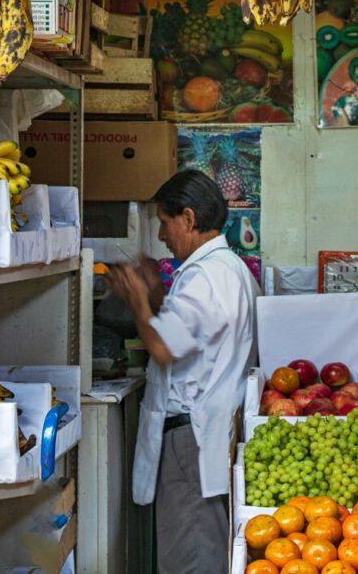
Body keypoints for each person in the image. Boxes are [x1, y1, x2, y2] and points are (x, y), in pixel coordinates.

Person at [106, 169, 258, 574]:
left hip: (191, 437)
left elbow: (161, 347)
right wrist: (156, 294)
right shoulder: (230, 268)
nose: (161, 236)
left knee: (190, 553)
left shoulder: (203, 277)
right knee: (201, 544)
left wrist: (139, 301)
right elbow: (192, 332)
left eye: (164, 223)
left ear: (188, 219)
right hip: (209, 429)